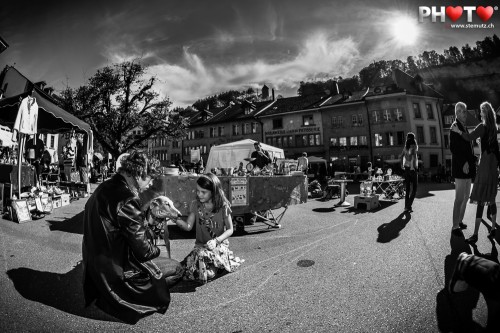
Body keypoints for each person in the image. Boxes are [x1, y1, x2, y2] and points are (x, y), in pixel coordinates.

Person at [82, 151, 184, 324]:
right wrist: (156, 248)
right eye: (149, 178)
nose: (150, 184)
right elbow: (144, 251)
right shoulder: (128, 199)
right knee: (177, 268)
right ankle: (137, 296)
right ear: (138, 174)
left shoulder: (103, 187)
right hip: (117, 273)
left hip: (95, 267)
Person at [173, 173, 243, 284]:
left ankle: (217, 265)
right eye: (197, 191)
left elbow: (230, 229)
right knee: (186, 268)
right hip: (201, 247)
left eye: (203, 192)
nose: (199, 194)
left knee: (205, 271)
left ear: (214, 191)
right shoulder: (195, 205)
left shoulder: (223, 206)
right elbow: (188, 227)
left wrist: (216, 241)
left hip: (219, 245)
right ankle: (210, 267)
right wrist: (174, 218)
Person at [451, 101, 499, 243]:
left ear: (485, 112)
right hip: (482, 165)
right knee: (485, 197)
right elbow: (455, 149)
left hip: (480, 165)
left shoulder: (476, 127)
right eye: (463, 111)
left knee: (472, 196)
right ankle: (491, 228)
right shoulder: (493, 128)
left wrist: (459, 132)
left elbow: (468, 141)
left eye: (480, 111)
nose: (478, 113)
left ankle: (468, 228)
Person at [450, 102, 476, 236]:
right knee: (459, 198)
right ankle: (455, 226)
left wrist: (471, 161)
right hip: (461, 168)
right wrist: (464, 163)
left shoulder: (464, 127)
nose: (466, 114)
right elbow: (454, 148)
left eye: (465, 111)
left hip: (468, 168)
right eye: (463, 111)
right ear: (457, 113)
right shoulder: (454, 127)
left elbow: (468, 148)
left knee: (466, 197)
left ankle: (460, 221)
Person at [399, 132, 418, 212]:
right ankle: (408, 206)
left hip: (406, 168)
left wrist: (401, 165)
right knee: (414, 189)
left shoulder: (405, 147)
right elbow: (413, 158)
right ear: (413, 138)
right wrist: (414, 168)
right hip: (412, 169)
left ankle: (407, 207)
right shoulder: (413, 147)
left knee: (407, 189)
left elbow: (401, 156)